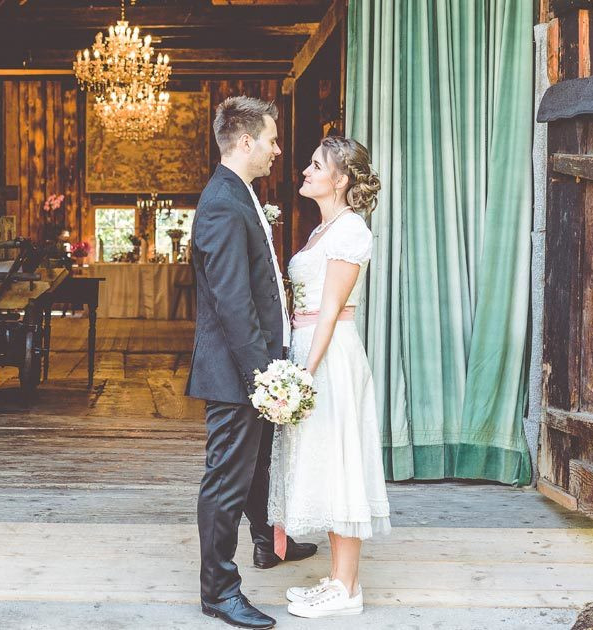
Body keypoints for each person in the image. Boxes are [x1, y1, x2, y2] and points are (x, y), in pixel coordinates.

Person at [186, 96, 317, 630]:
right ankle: (219, 591)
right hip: (239, 369)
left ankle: (267, 543)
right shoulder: (221, 202)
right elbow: (231, 300)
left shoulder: (240, 195)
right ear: (245, 143)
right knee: (225, 478)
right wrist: (262, 373)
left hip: (258, 362)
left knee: (259, 463)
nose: (277, 150)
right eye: (270, 140)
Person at [267, 135, 390, 619]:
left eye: (316, 165)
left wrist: (304, 375)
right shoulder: (323, 230)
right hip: (309, 346)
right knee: (324, 458)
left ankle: (348, 588)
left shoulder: (350, 230)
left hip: (330, 354)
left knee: (342, 461)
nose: (306, 170)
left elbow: (331, 309)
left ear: (340, 180)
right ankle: (340, 579)